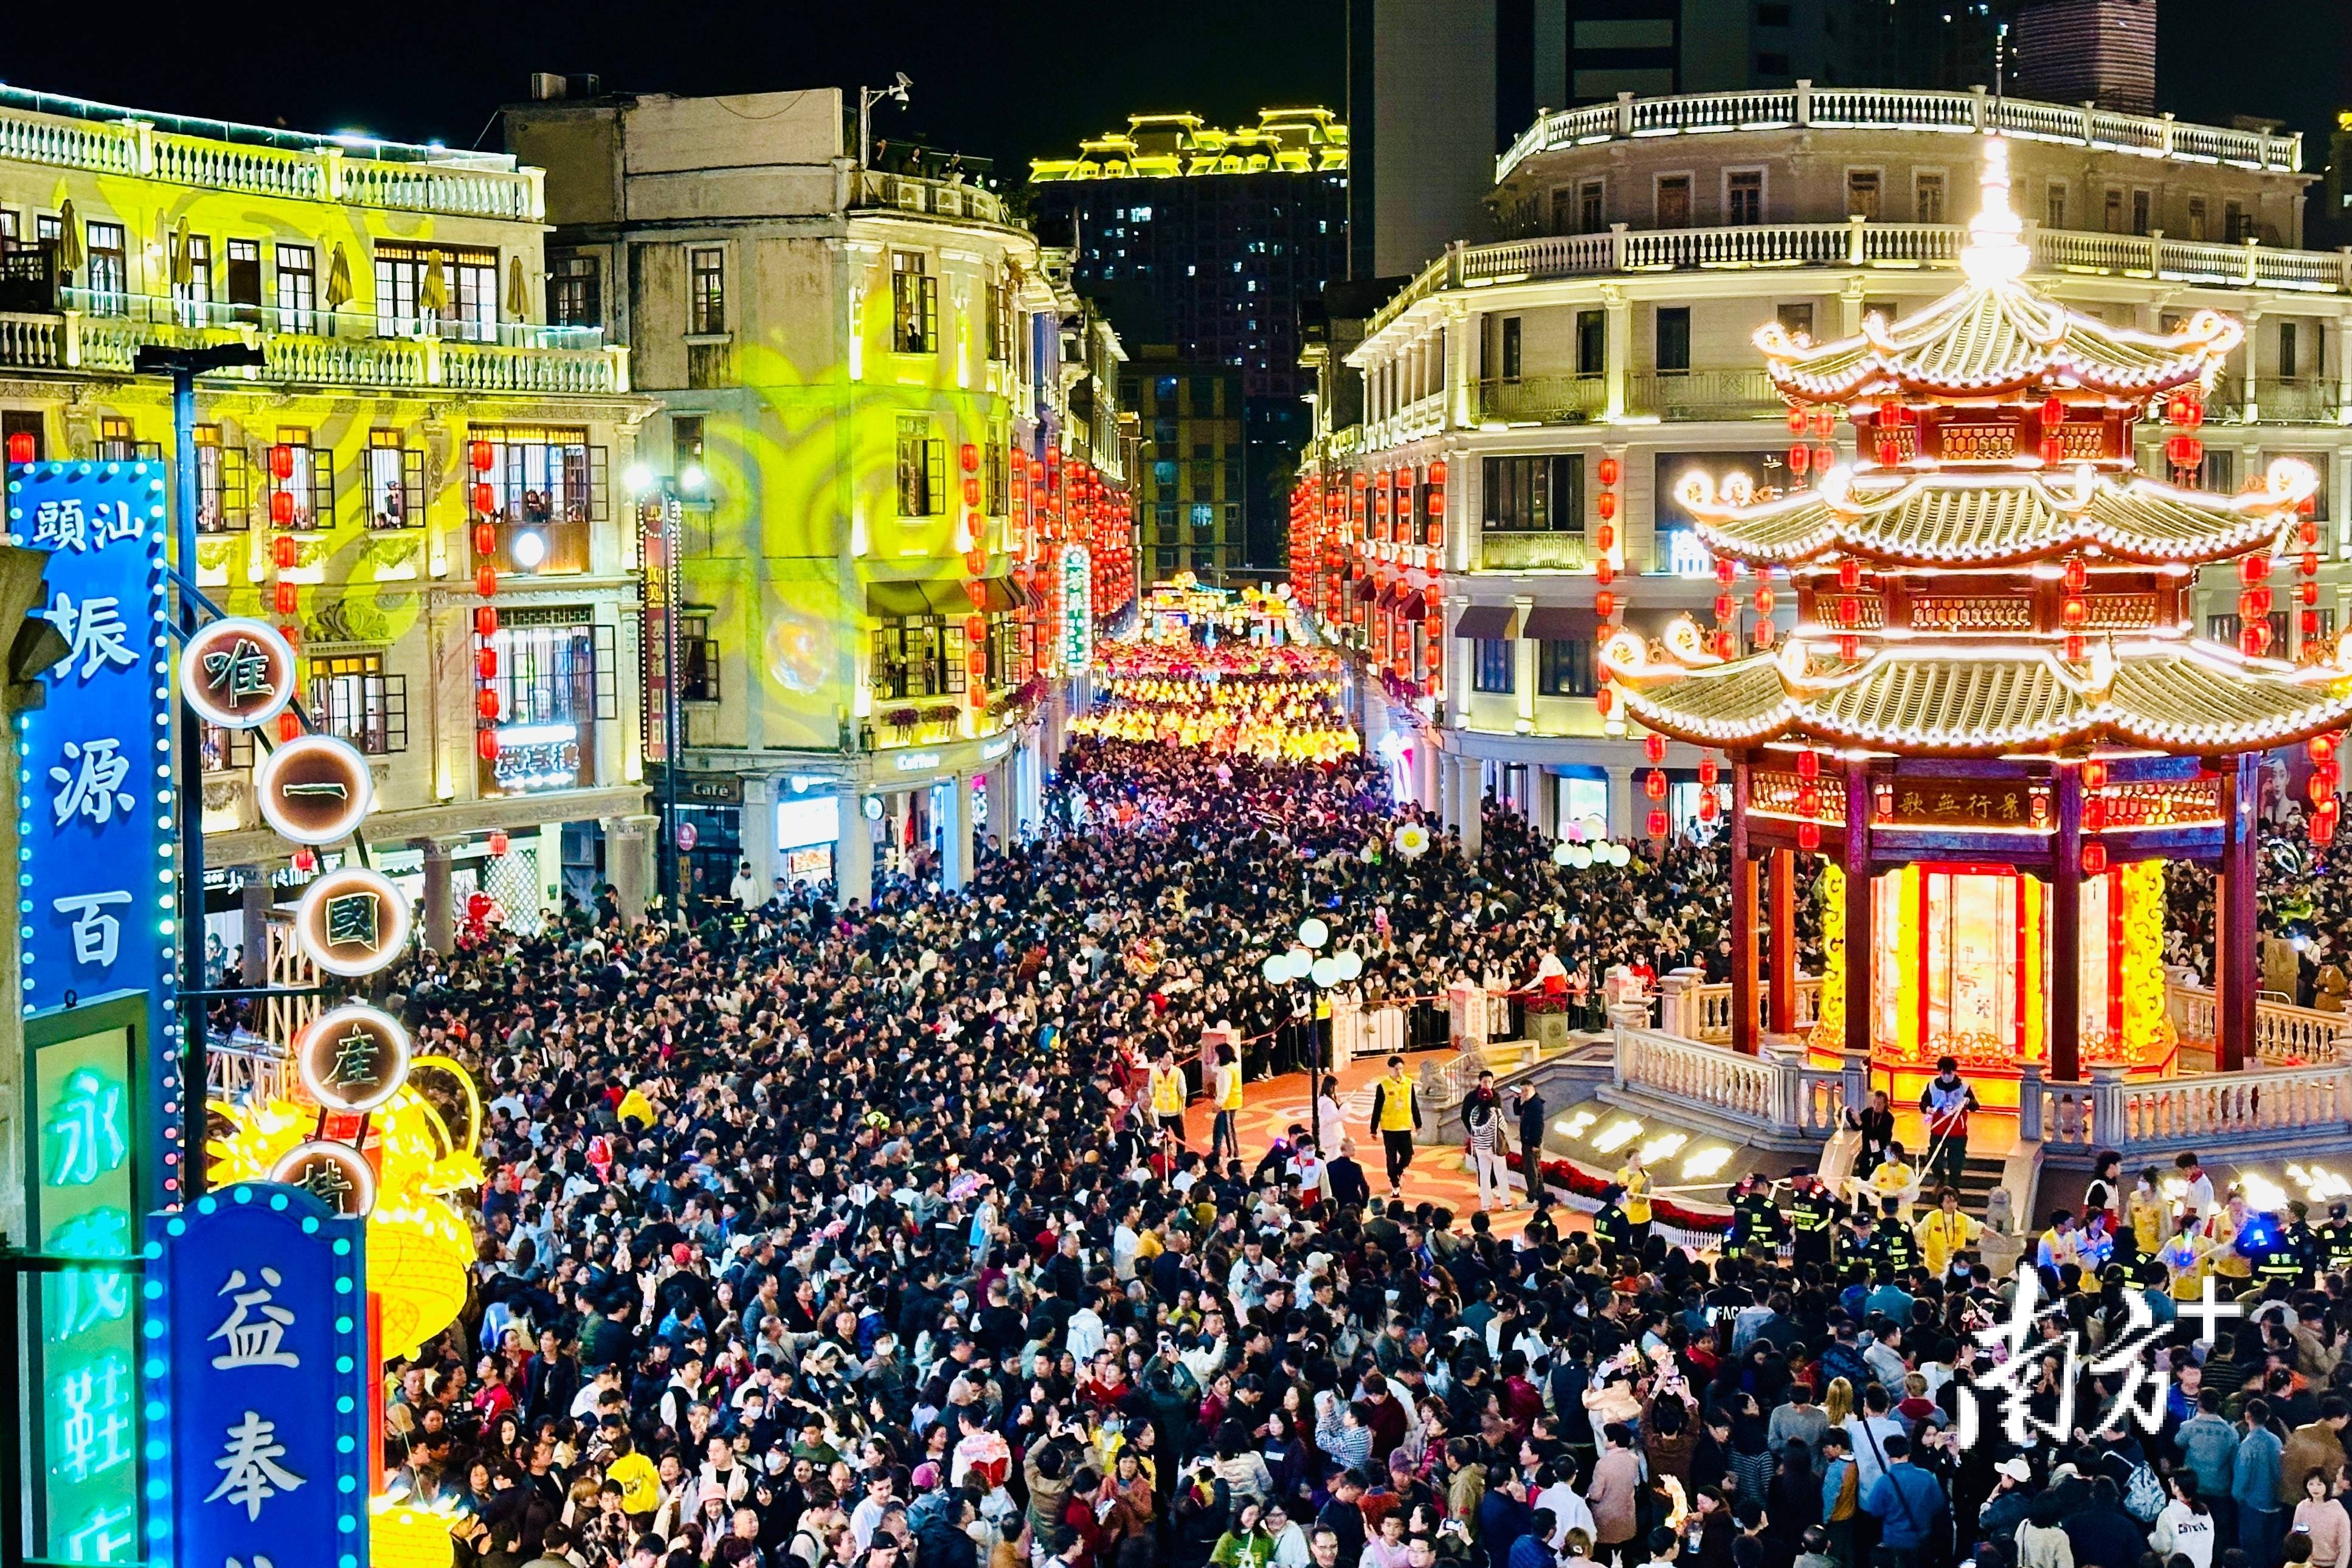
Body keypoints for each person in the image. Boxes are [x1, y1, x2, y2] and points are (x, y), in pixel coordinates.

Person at [1916, 1057, 1979, 1197]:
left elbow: (1975, 1106)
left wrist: (1968, 1102)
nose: (1946, 1076)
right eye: (1944, 1072)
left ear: (1954, 1072)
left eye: (1949, 1073)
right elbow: (1923, 1103)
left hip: (1957, 1133)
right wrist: (1927, 1108)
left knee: (1956, 1164)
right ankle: (1941, 1179)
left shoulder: (1963, 1087)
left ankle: (1953, 1189)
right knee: (1934, 1159)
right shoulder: (1932, 1086)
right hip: (1938, 1131)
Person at [1369, 1055, 1420, 1200]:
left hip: (1405, 1126)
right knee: (1391, 1157)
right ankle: (1395, 1184)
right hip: (1389, 1128)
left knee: (1408, 1156)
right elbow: (1377, 1107)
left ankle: (1396, 1172)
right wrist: (1373, 1128)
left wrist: (1419, 1124)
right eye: (1396, 1069)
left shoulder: (1409, 1083)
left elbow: (1414, 1104)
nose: (1399, 1072)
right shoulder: (1383, 1086)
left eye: (1401, 1069)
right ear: (1390, 1069)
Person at [1465, 1071, 1511, 1212]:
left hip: (1480, 1148)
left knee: (1484, 1176)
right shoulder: (1495, 1112)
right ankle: (1506, 1203)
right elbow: (1504, 1128)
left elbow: (1470, 1126)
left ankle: (1486, 1204)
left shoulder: (1474, 1113)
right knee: (1501, 1174)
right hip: (1494, 1147)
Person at [1509, 1083, 1547, 1206]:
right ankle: (1540, 1196)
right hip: (1527, 1141)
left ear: (1533, 1089)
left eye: (1527, 1090)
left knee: (1531, 1171)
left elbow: (1539, 1126)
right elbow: (1517, 1112)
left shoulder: (1536, 1105)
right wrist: (1517, 1099)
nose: (1524, 1093)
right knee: (1535, 1170)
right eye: (1522, 1091)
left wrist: (1536, 1144)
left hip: (1532, 1143)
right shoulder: (1528, 1103)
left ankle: (1532, 1199)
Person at [1211, 1043, 1245, 1165]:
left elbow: (1224, 1090)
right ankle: (1216, 1150)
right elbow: (1214, 1068)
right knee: (1220, 1127)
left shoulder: (1226, 1071)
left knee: (1228, 1129)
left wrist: (1218, 1103)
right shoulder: (1233, 1066)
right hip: (1231, 1101)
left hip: (1229, 1103)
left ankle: (1233, 1153)